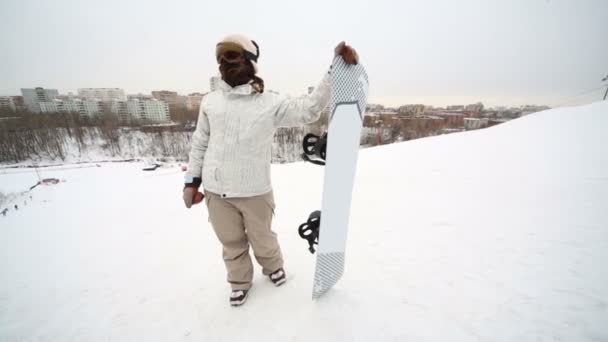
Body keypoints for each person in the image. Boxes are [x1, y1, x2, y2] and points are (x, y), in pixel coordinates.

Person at [183, 34, 359, 306]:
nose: (225, 65)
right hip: (216, 192)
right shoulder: (210, 102)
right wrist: (191, 182)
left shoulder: (270, 103)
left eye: (232, 57)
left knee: (263, 238)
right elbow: (199, 143)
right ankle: (239, 282)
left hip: (255, 190)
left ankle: (273, 266)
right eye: (220, 60)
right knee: (231, 243)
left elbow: (309, 109)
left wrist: (335, 69)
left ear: (250, 61)